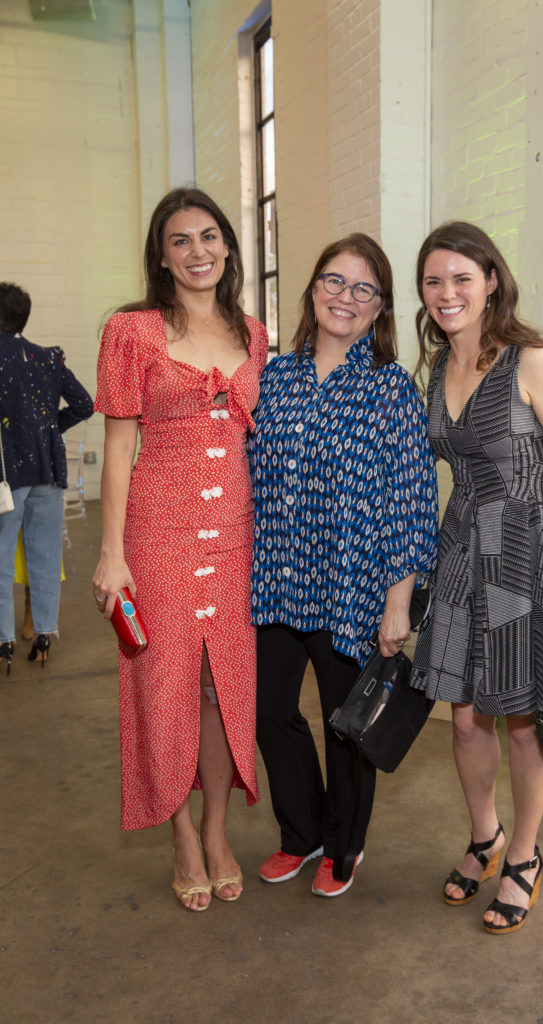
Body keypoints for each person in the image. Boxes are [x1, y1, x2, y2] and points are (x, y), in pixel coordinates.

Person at [410, 222, 543, 934]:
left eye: (461, 278)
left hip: (530, 558)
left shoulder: (532, 361)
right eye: (433, 281)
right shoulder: (436, 369)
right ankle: (484, 837)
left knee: (525, 721)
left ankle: (523, 858)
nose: (447, 293)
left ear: (491, 280)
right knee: (465, 717)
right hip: (465, 551)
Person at [92, 186, 269, 912]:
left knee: (225, 689)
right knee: (161, 686)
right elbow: (115, 449)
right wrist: (111, 552)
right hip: (155, 532)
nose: (198, 251)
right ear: (161, 258)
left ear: (227, 246)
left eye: (209, 237)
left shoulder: (252, 334)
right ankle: (179, 838)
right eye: (180, 241)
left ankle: (218, 829)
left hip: (236, 536)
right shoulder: (131, 333)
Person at [250, 233, 439, 897]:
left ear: (380, 309)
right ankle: (299, 835)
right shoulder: (273, 378)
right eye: (334, 281)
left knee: (346, 726)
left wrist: (396, 602)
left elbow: (411, 505)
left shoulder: (391, 392)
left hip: (350, 588)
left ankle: (342, 845)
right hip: (272, 579)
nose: (345, 297)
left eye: (363, 288)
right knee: (267, 712)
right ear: (311, 290)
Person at [0, 283, 93, 674]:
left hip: (6, 473)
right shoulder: (48, 357)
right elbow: (85, 403)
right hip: (49, 469)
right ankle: (42, 638)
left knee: (2, 558)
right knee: (44, 555)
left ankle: (3, 643)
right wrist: (51, 429)